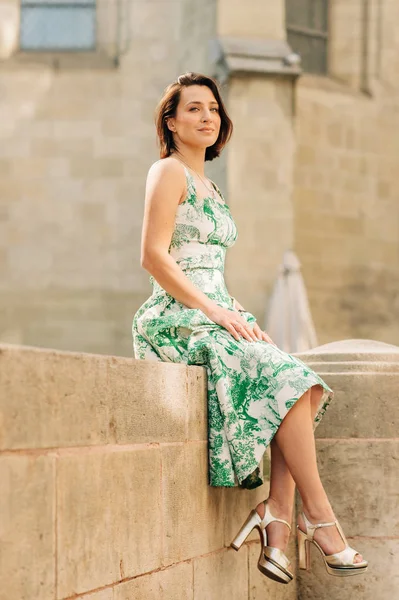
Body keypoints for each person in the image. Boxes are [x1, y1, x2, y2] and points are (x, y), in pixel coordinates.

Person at [132, 72, 367, 584]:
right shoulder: (166, 172)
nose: (207, 117)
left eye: (213, 108)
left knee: (301, 384)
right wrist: (214, 311)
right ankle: (318, 520)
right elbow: (154, 258)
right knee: (286, 380)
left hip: (217, 310)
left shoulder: (211, 187)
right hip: (176, 318)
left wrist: (231, 308)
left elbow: (210, 266)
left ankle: (278, 518)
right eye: (193, 109)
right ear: (170, 122)